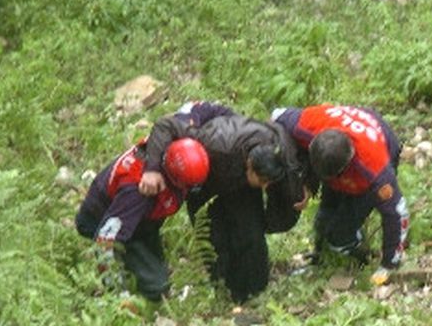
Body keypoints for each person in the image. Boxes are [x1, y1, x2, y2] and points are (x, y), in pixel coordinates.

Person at [140, 101, 305, 302]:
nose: (264, 186)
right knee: (212, 234)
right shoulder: (213, 142)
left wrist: (271, 220)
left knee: (251, 233)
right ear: (250, 165)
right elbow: (166, 126)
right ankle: (222, 288)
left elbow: (289, 199)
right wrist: (152, 169)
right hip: (209, 176)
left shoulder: (282, 154)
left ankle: (254, 292)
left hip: (240, 182)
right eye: (262, 181)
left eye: (268, 183)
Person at [272, 104, 408, 286]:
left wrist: (389, 264)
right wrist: (301, 182)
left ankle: (360, 255)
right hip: (338, 150)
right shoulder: (305, 124)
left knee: (341, 233)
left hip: (376, 148)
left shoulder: (376, 171)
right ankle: (322, 258)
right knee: (323, 221)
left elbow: (397, 213)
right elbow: (274, 119)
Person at [75, 132, 210, 304]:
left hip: (140, 220)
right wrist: (117, 292)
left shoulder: (164, 148)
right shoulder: (137, 193)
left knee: (158, 273)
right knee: (157, 287)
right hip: (102, 219)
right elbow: (106, 240)